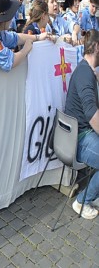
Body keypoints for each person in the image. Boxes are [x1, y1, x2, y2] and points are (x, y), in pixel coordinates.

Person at [64, 29, 99, 219]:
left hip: (79, 134)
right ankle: (83, 201)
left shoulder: (86, 70)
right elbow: (92, 113)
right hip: (80, 139)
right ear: (96, 47)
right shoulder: (85, 74)